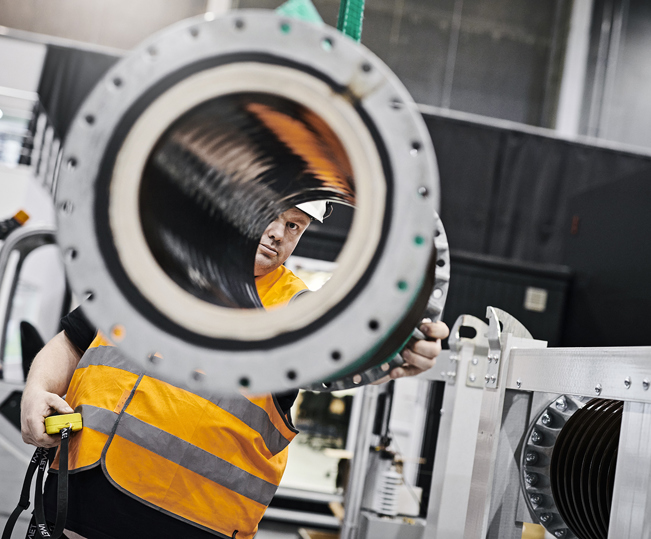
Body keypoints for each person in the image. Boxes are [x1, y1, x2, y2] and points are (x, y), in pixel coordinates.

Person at [20, 202, 449, 539]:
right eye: (270, 215)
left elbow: (346, 353)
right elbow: (72, 340)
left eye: (295, 225)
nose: (279, 233)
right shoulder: (150, 269)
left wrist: (398, 352)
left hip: (190, 526)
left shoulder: (296, 312)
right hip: (71, 503)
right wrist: (37, 390)